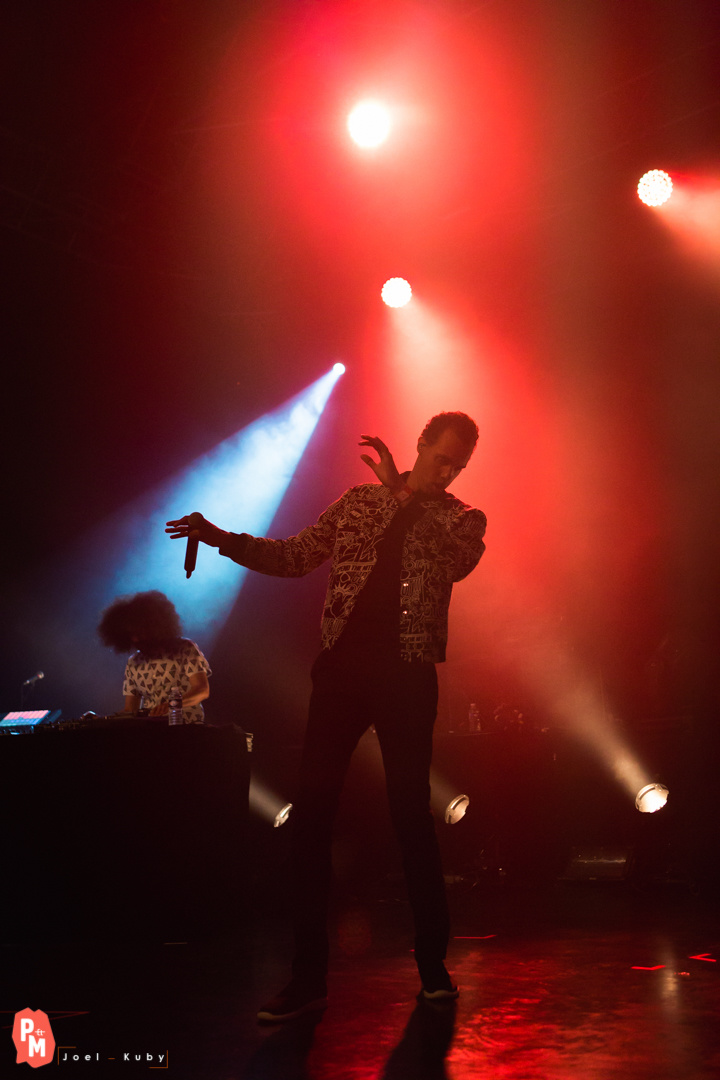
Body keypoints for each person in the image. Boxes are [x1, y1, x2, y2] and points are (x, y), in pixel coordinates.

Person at [166, 412, 486, 1020]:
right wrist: (221, 537)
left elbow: (452, 563)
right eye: (442, 458)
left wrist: (404, 494)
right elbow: (294, 556)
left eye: (458, 466)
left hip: (407, 676)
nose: (447, 473)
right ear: (420, 445)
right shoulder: (358, 502)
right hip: (342, 672)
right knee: (311, 820)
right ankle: (307, 978)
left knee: (410, 817)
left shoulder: (462, 519)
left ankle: (432, 968)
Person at [97, 590, 211, 724]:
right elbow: (130, 710)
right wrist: (101, 721)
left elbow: (202, 690)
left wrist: (172, 705)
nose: (135, 639)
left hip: (187, 728)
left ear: (154, 627)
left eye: (139, 633)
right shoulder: (133, 662)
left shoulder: (185, 648)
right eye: (130, 634)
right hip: (153, 730)